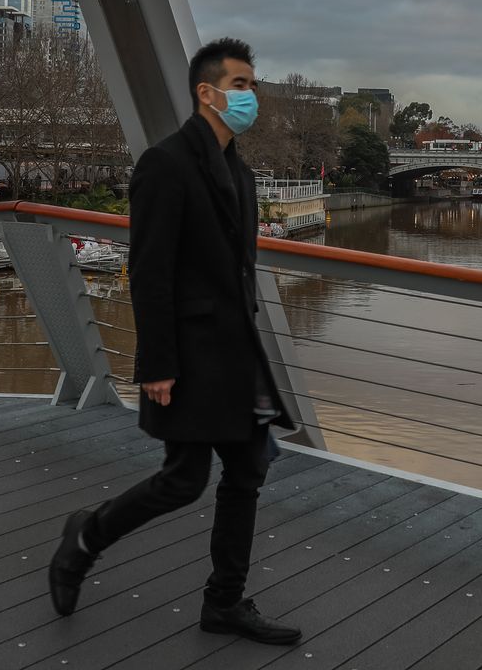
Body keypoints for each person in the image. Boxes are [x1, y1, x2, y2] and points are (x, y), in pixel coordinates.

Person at [48, 37, 300, 645]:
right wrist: (157, 362)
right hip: (189, 355)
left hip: (235, 353)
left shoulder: (237, 169)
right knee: (184, 480)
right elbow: (150, 269)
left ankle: (225, 603)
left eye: (252, 87)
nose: (250, 97)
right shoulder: (165, 164)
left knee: (246, 473)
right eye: (240, 86)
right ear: (206, 93)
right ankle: (85, 536)